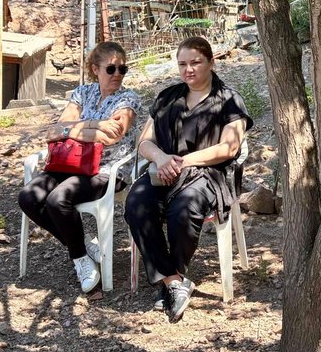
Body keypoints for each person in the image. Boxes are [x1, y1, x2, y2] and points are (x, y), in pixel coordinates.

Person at [125, 36, 251, 322]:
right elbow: (144, 142)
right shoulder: (167, 97)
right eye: (182, 64)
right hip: (164, 170)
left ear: (211, 62)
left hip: (206, 173)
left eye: (195, 62)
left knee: (184, 210)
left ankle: (173, 278)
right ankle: (173, 281)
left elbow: (228, 148)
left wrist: (182, 161)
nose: (188, 69)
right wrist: (161, 158)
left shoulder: (229, 99)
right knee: (136, 205)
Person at [18, 41, 141, 294]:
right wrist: (95, 125)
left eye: (122, 69)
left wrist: (72, 129)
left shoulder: (128, 98)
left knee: (57, 200)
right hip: (70, 163)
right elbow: (55, 131)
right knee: (28, 197)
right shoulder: (83, 93)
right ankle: (82, 248)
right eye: (111, 69)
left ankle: (79, 258)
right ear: (95, 69)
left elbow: (112, 136)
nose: (117, 74)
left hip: (105, 169)